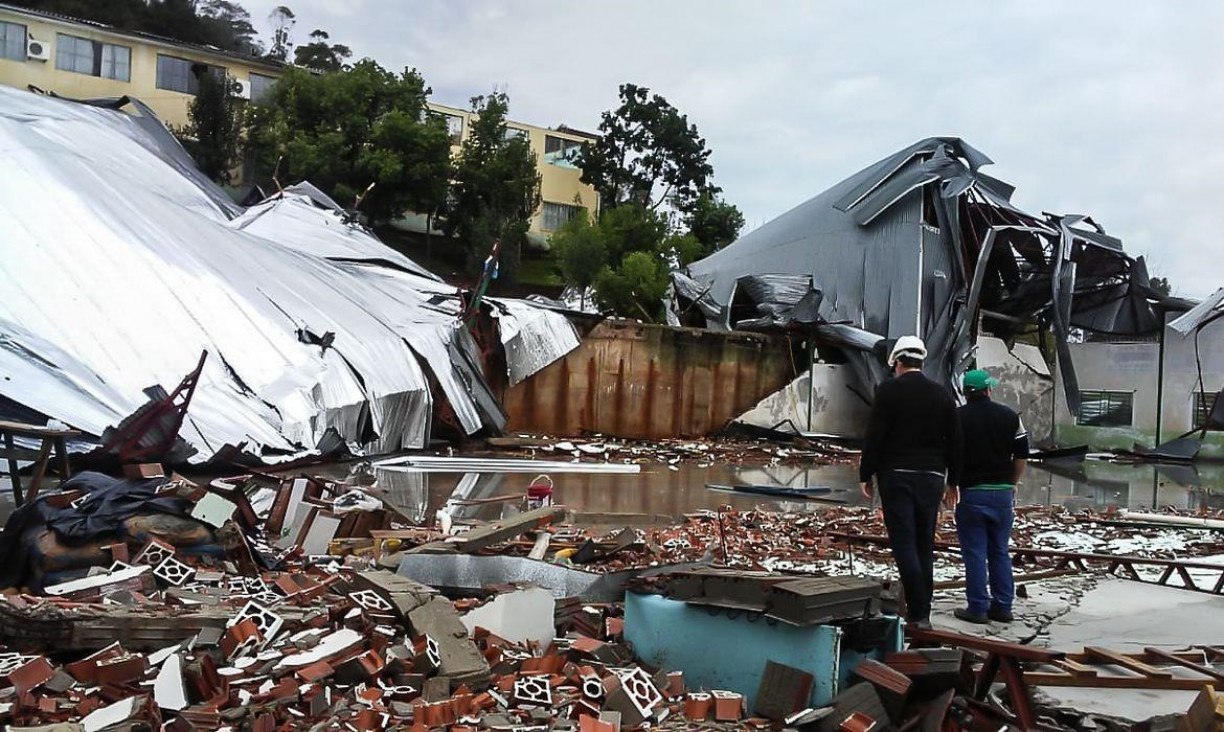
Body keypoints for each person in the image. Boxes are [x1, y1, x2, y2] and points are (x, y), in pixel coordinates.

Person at [859, 336, 962, 630]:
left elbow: (875, 434)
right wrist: (953, 481)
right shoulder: (942, 394)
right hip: (931, 478)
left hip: (896, 475)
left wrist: (866, 474)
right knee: (923, 543)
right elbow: (955, 440)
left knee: (904, 542)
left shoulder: (888, 391)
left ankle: (919, 611)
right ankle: (921, 610)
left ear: (898, 363)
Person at [950, 369, 1029, 624]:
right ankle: (1003, 606)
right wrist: (1012, 483)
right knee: (999, 551)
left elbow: (950, 456)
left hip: (971, 493)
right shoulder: (1010, 417)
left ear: (966, 393)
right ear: (988, 390)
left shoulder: (957, 418)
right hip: (1002, 495)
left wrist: (951, 485)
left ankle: (977, 608)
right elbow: (1022, 456)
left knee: (974, 552)